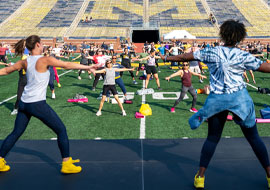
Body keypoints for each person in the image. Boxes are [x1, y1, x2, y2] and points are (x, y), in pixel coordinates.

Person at [159, 20, 270, 189]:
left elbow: (185, 57)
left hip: (218, 99)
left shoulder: (211, 52)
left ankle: (200, 178)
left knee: (212, 138)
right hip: (240, 99)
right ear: (240, 37)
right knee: (254, 138)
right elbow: (264, 67)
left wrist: (167, 57)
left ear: (222, 34)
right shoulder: (243, 55)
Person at [0, 35, 97, 174]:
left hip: (24, 103)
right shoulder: (44, 59)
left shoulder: (25, 61)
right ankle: (66, 163)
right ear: (38, 45)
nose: (44, 45)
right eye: (42, 43)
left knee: (16, 132)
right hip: (37, 104)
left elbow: (5, 70)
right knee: (61, 130)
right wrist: (89, 66)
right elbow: (67, 65)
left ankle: (0, 160)